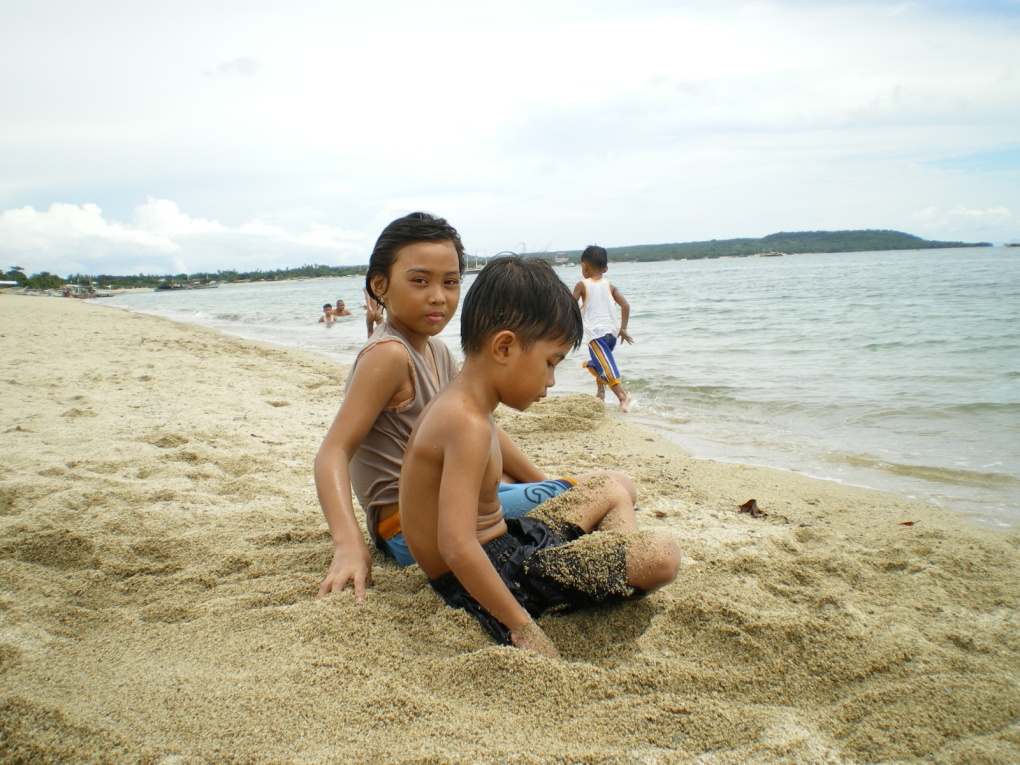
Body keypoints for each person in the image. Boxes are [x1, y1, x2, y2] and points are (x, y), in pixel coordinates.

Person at [314, 214, 616, 599]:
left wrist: (539, 480)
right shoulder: (388, 354)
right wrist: (348, 545)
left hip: (440, 507)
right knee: (611, 486)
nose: (439, 295)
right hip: (408, 526)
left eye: (451, 282)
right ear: (380, 285)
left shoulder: (437, 350)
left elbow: (486, 427)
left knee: (549, 486)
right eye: (420, 280)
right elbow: (333, 451)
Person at [399, 256, 681, 658]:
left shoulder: (464, 404)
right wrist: (523, 628)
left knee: (610, 488)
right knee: (662, 555)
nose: (550, 381)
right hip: (495, 576)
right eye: (550, 363)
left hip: (509, 544)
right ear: (505, 347)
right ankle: (616, 573)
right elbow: (458, 545)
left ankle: (612, 567)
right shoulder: (467, 424)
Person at [572, 245, 633, 412]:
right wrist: (623, 329)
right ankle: (600, 394)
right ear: (605, 268)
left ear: (584, 266)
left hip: (595, 335)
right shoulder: (609, 285)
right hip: (611, 335)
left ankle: (622, 396)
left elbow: (569, 306)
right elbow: (625, 305)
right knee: (600, 363)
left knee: (605, 366)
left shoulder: (582, 285)